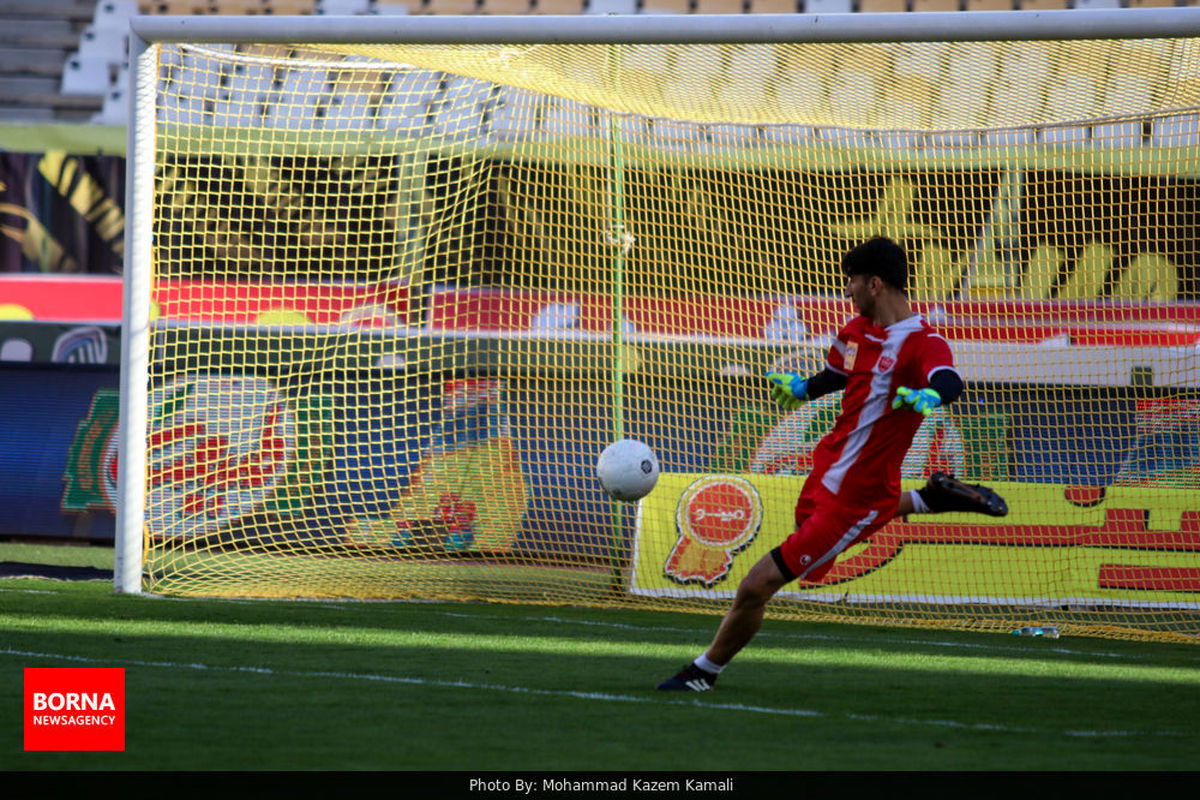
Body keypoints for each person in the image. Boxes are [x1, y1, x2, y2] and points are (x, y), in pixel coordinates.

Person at [658, 236, 1008, 692]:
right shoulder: (855, 332)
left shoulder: (924, 341)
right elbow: (838, 374)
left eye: (852, 282)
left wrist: (931, 395)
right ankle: (929, 498)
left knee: (756, 585)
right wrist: (803, 389)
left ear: (875, 284)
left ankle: (703, 672)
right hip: (826, 474)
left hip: (855, 496)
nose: (847, 291)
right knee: (845, 522)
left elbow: (947, 378)